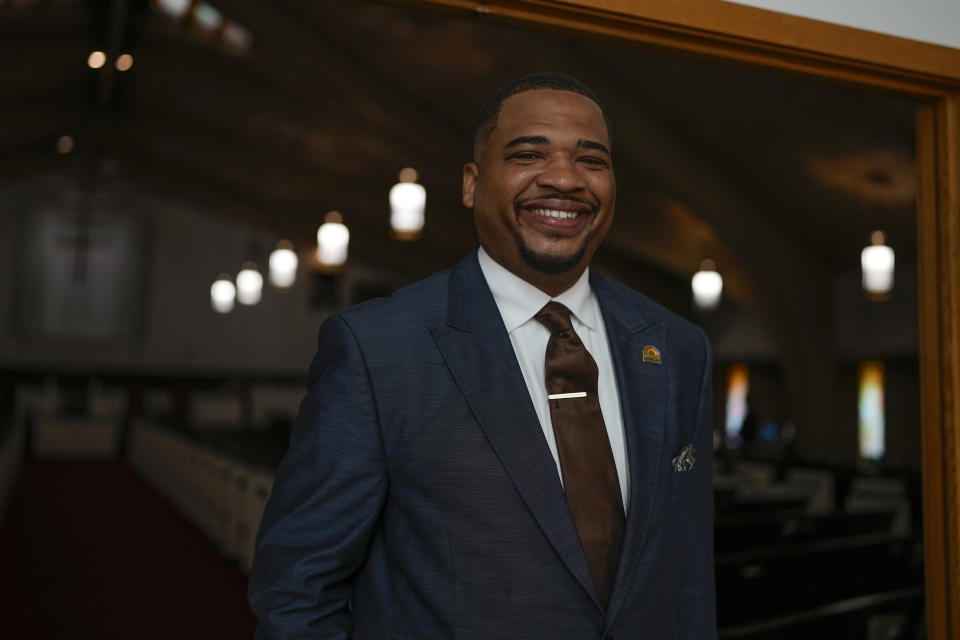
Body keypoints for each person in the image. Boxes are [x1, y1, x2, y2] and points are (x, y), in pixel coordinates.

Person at [248, 72, 716, 639]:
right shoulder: (378, 348)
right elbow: (297, 592)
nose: (565, 178)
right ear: (472, 183)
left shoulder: (676, 347)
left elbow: (687, 576)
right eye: (527, 154)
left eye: (591, 160)